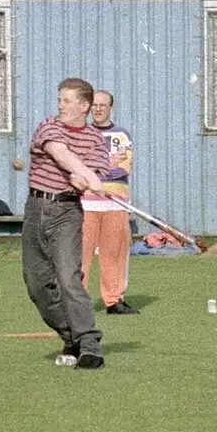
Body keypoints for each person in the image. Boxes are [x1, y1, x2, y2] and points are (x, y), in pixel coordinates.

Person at [23, 77, 110, 369]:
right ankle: (69, 334)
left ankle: (89, 345)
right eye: (60, 99)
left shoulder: (95, 139)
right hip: (36, 208)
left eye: (68, 100)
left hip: (67, 213)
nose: (61, 105)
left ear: (84, 106)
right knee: (36, 284)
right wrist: (85, 173)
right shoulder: (49, 126)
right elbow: (60, 152)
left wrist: (84, 182)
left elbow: (93, 172)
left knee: (69, 279)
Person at [80, 90, 140, 315]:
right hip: (86, 204)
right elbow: (77, 165)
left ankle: (114, 300)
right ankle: (76, 302)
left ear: (110, 108)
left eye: (103, 105)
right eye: (94, 105)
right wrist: (99, 167)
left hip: (115, 203)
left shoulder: (121, 135)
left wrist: (94, 169)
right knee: (80, 254)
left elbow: (122, 168)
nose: (98, 109)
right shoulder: (81, 134)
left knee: (114, 253)